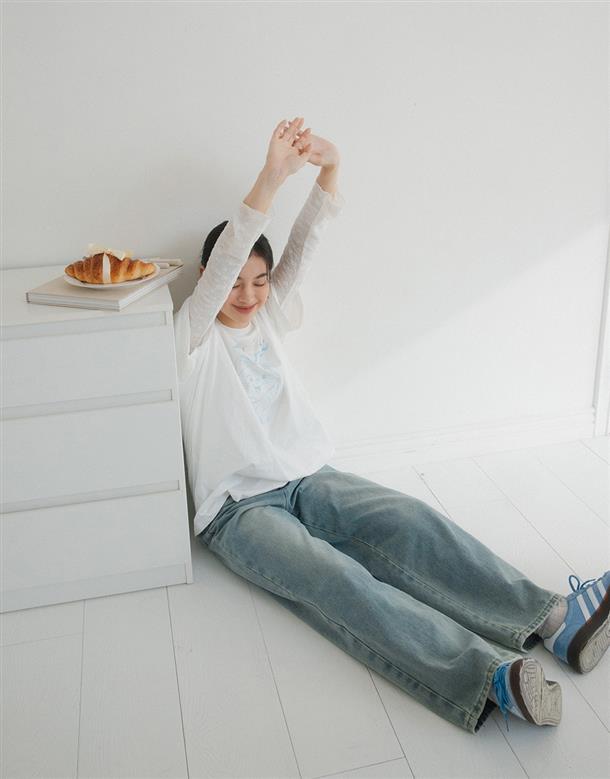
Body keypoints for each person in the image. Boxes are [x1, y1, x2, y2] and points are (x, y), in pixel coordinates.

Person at [172, 116, 610, 734]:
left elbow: (305, 245)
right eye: (233, 282)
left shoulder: (268, 315)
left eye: (259, 282)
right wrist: (270, 178)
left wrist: (331, 169)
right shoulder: (192, 336)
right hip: (238, 511)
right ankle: (487, 677)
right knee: (337, 578)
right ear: (208, 280)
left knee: (411, 519)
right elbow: (232, 255)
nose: (246, 295)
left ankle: (555, 621)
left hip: (305, 476)